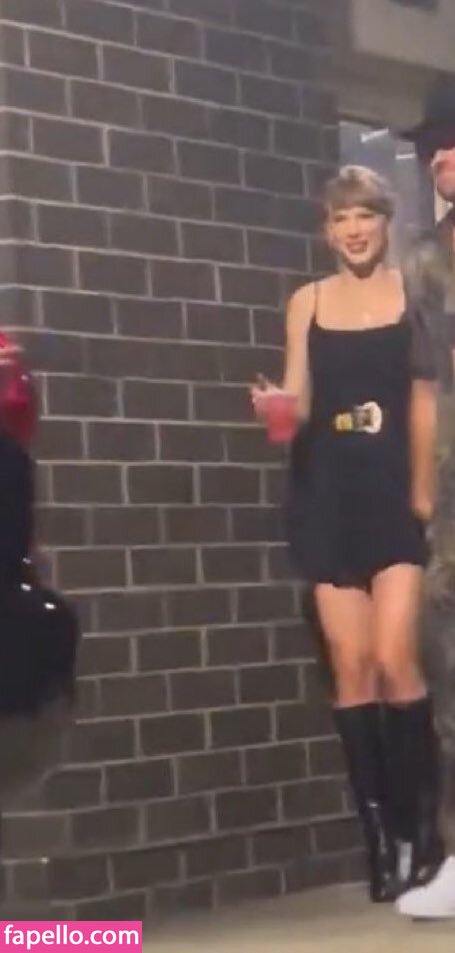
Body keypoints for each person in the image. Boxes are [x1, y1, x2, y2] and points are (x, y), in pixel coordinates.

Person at [251, 165, 443, 903]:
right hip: (325, 495)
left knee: (396, 660)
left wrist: (421, 494)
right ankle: (380, 840)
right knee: (352, 667)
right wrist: (279, 407)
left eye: (364, 215)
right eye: (340, 218)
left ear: (385, 221)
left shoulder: (409, 294)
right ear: (326, 230)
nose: (353, 229)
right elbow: (298, 401)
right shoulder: (307, 301)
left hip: (391, 494)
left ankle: (422, 831)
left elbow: (423, 400)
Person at [395, 75, 455, 919]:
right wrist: (418, 491)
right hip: (450, 475)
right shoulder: (422, 259)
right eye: (433, 146)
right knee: (449, 659)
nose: (442, 156)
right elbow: (419, 378)